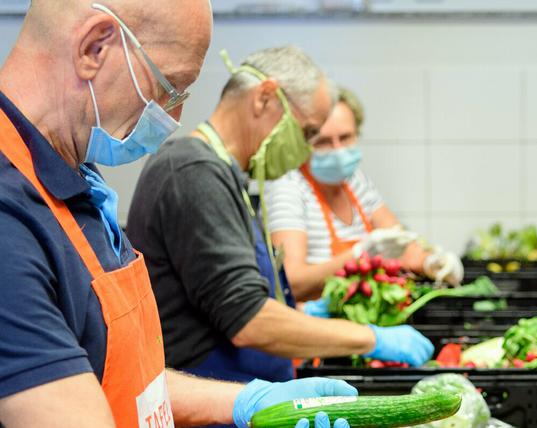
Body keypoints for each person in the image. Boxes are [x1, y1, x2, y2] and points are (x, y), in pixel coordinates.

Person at [0, 2, 352, 428]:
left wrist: (249, 401)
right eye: (170, 86)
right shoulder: (10, 217)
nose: (173, 116)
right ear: (94, 48)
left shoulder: (76, 184)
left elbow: (120, 376)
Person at [126, 47, 433, 389]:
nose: (305, 150)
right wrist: (370, 338)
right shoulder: (193, 172)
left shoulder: (227, 175)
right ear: (265, 98)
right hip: (215, 400)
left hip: (244, 392)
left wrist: (303, 317)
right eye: (307, 133)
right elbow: (249, 321)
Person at [263, 86, 464, 310]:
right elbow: (291, 282)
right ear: (302, 143)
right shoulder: (288, 187)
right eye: (323, 141)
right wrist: (359, 254)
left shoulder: (354, 181)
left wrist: (431, 262)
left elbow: (399, 241)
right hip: (316, 325)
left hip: (360, 316)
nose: (338, 150)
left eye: (346, 138)